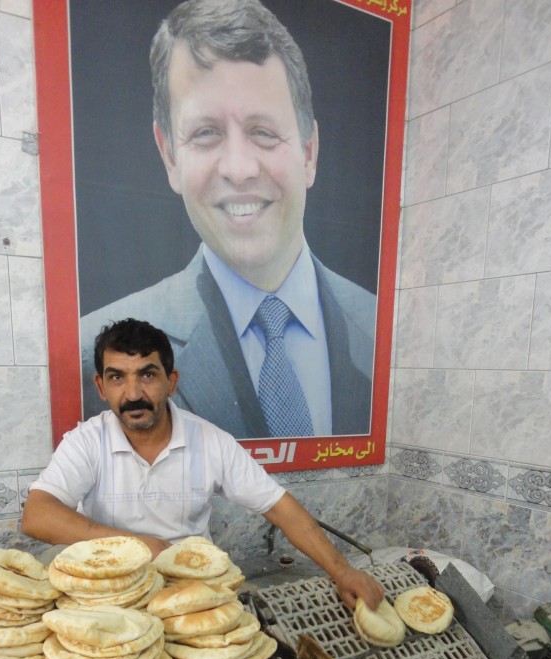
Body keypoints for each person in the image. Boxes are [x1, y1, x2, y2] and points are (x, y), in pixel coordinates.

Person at [79, 0, 376, 440]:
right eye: (206, 133)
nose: (239, 169)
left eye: (263, 132)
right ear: (169, 156)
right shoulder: (89, 354)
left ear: (309, 152)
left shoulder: (379, 328)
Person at [22, 318, 382, 610]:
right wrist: (135, 544)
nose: (132, 394)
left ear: (171, 382)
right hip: (109, 598)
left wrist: (342, 572)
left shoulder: (211, 441)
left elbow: (281, 509)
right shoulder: (86, 441)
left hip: (192, 595)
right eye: (117, 377)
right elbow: (37, 515)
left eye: (147, 375)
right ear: (101, 387)